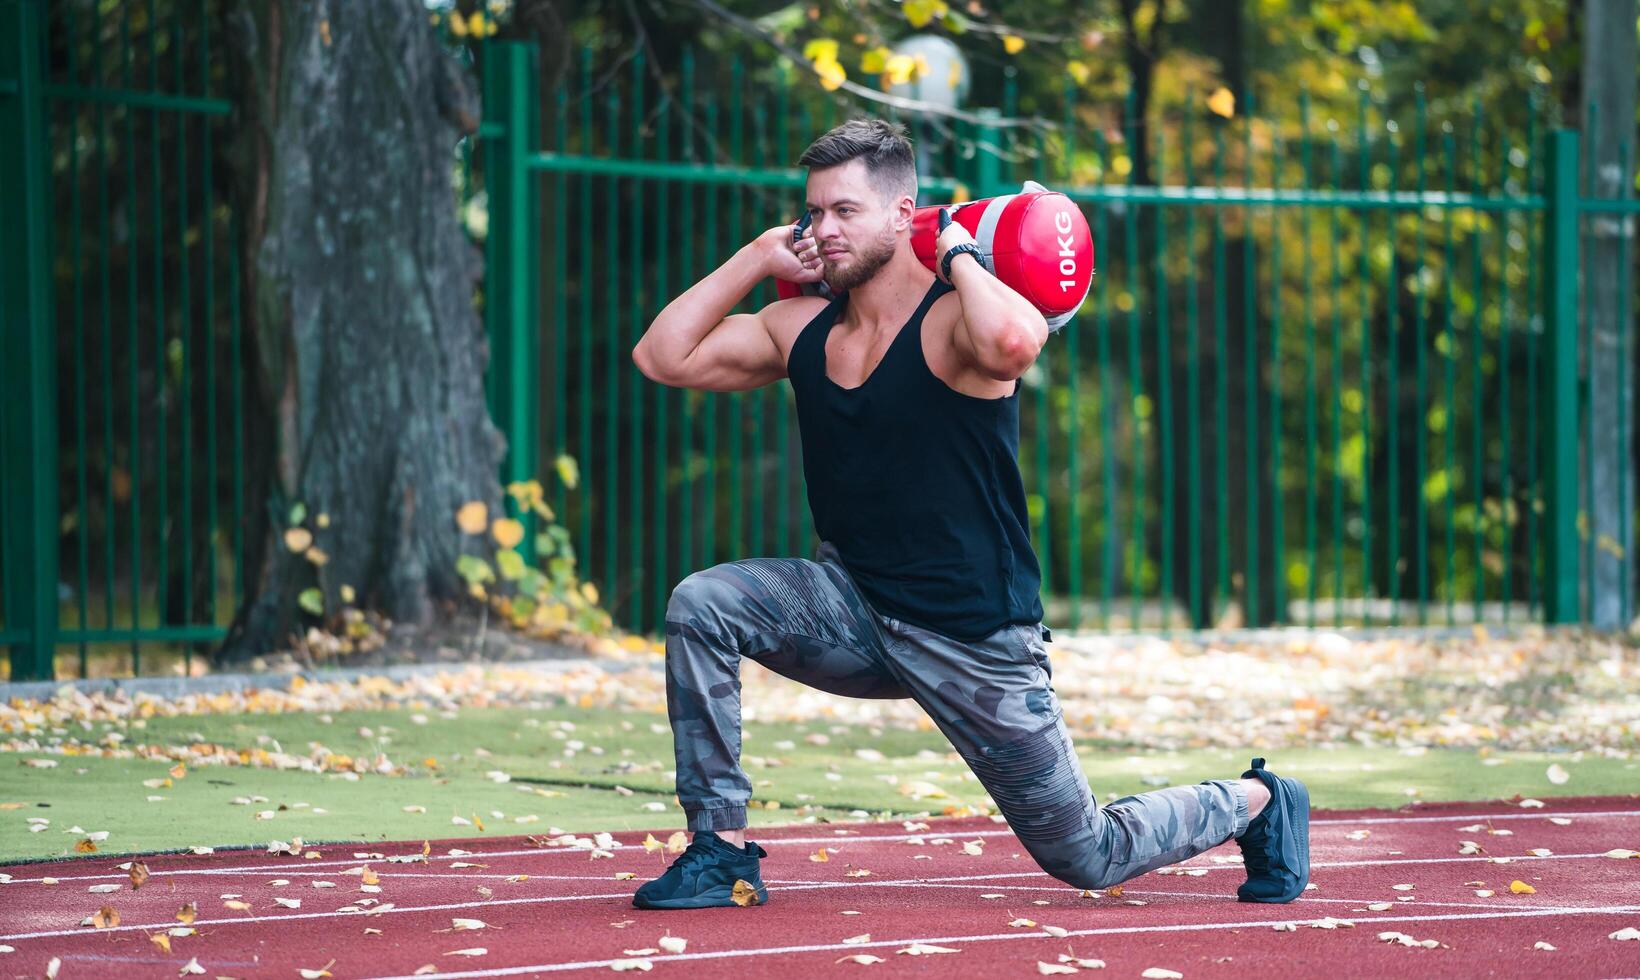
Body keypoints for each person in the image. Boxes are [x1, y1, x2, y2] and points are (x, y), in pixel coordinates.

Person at [628, 117, 1308, 911]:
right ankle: (720, 849)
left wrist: (951, 251)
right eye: (813, 213)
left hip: (971, 636)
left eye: (845, 211)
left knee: (1086, 855)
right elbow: (661, 356)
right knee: (703, 604)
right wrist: (754, 257)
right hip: (851, 614)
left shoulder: (955, 321)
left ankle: (1259, 802)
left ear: (901, 211)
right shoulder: (800, 328)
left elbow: (1018, 346)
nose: (823, 230)